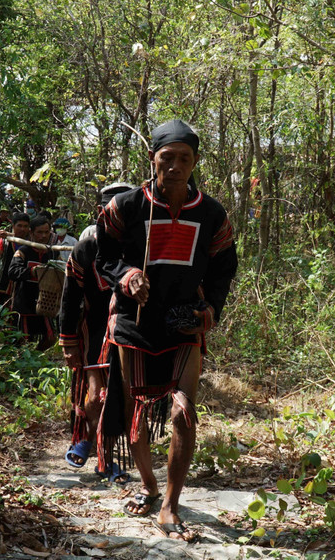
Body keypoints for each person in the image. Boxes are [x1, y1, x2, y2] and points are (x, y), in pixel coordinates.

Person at [96, 119, 237, 541]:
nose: (175, 166)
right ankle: (148, 484)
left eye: (184, 158)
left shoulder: (212, 213)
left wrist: (210, 306)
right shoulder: (126, 207)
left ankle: (171, 506)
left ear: (195, 163)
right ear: (153, 158)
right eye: (167, 157)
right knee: (136, 411)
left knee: (183, 412)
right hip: (134, 325)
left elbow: (224, 266)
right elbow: (103, 256)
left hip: (184, 324)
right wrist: (127, 274)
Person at [59, 184, 135, 481]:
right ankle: (92, 441)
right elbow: (69, 297)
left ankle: (103, 454)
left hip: (130, 332)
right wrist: (68, 343)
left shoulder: (139, 245)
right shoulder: (85, 248)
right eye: (107, 212)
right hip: (93, 331)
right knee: (94, 397)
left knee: (121, 396)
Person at [8, 216, 58, 350]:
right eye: (39, 232)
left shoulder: (52, 254)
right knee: (24, 340)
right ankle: (25, 366)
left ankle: (36, 357)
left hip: (45, 303)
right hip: (24, 302)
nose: (43, 236)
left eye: (46, 232)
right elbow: (12, 271)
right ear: (32, 233)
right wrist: (32, 272)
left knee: (51, 337)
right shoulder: (23, 252)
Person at [0, 212, 31, 310]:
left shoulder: (32, 243)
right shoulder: (5, 241)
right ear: (13, 226)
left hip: (24, 288)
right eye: (19, 226)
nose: (22, 229)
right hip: (4, 286)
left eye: (25, 226)